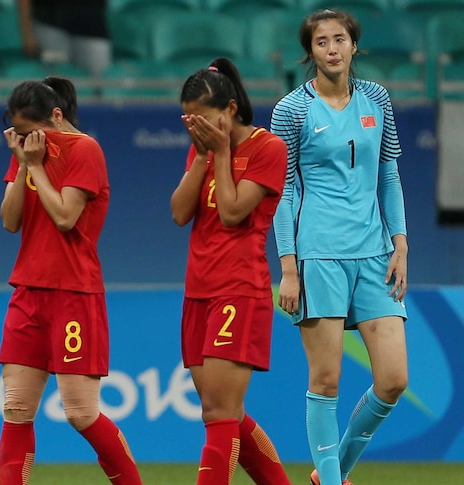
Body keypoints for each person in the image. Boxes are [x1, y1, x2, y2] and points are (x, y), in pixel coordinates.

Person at [271, 9, 408, 485]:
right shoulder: (290, 110)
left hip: (374, 255)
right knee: (326, 382)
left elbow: (388, 174)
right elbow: (283, 192)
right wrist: (288, 267)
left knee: (394, 379)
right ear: (310, 52)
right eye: (322, 42)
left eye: (340, 39)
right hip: (317, 256)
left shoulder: (378, 99)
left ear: (354, 46)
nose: (332, 48)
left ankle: (331, 473)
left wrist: (400, 242)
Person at [0, 76, 142, 485]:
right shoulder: (27, 150)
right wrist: (24, 164)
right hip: (28, 290)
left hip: (74, 292)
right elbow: (10, 221)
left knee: (81, 413)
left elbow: (64, 216)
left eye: (30, 130)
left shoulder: (85, 150)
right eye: (18, 131)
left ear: (56, 116)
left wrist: (35, 167)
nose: (24, 139)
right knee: (16, 409)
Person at [170, 58, 291, 485]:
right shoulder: (200, 148)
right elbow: (180, 212)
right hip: (198, 289)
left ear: (231, 110)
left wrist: (220, 153)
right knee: (225, 413)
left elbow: (233, 211)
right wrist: (204, 155)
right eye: (189, 121)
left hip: (238, 289)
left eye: (204, 120)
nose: (196, 128)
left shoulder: (268, 148)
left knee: (219, 414)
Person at [17, 0, 111, 77]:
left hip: (93, 26)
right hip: (50, 24)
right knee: (54, 84)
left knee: (100, 80)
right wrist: (27, 32)